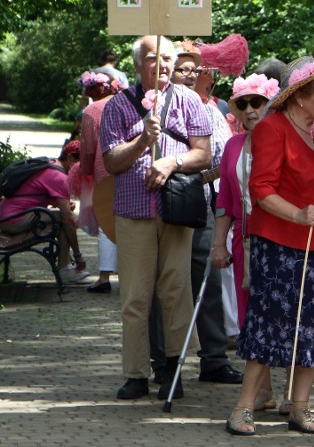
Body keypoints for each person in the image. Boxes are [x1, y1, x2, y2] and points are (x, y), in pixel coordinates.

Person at [225, 55, 314, 436]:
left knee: (313, 326)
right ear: (299, 96)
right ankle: (243, 408)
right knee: (271, 325)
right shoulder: (273, 128)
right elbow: (260, 189)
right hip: (280, 243)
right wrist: (297, 214)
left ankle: (300, 407)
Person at [100, 35, 212, 401]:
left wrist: (170, 161)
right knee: (135, 297)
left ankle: (173, 369)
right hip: (134, 212)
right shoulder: (117, 106)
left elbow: (204, 154)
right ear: (137, 66)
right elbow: (112, 162)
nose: (162, 64)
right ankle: (135, 373)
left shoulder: (189, 100)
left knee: (176, 292)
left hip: (175, 210)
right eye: (153, 58)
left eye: (167, 58)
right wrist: (141, 142)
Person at [146, 42, 242, 392]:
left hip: (200, 203)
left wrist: (194, 178)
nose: (188, 75)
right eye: (180, 68)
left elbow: (224, 160)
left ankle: (214, 359)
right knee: (164, 287)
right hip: (160, 205)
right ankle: (163, 364)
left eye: (193, 69)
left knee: (208, 283)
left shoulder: (214, 110)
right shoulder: (153, 105)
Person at [211, 73, 280, 411]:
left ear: (270, 104)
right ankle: (264, 392)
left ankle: (297, 394)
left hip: (282, 238)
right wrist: (218, 243)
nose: (251, 110)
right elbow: (224, 198)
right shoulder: (232, 146)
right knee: (250, 317)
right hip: (244, 238)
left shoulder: (287, 140)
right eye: (243, 104)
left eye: (257, 102)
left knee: (283, 314)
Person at [0, 141, 89, 285]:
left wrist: (58, 203)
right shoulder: (60, 177)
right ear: (71, 158)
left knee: (63, 221)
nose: (82, 171)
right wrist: (78, 255)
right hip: (14, 220)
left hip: (7, 216)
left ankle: (65, 267)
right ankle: (65, 269)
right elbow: (68, 220)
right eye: (81, 165)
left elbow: (33, 194)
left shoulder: (50, 164)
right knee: (68, 220)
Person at [78, 69, 127, 292]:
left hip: (104, 170)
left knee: (106, 222)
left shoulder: (91, 111)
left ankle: (104, 278)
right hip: (129, 168)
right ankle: (130, 275)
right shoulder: (127, 102)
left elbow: (87, 149)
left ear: (92, 91)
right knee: (130, 220)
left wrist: (85, 170)